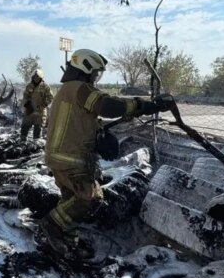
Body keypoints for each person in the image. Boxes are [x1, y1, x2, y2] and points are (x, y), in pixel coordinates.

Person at [40, 49, 171, 260]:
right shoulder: (80, 88)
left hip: (60, 156)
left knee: (71, 202)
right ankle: (51, 226)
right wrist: (144, 105)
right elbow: (108, 105)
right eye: (95, 73)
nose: (96, 78)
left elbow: (83, 121)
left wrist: (102, 129)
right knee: (90, 198)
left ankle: (65, 242)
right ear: (86, 69)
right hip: (72, 158)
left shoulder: (67, 90)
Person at [21, 69, 53, 141]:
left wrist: (43, 105)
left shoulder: (45, 86)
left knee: (37, 130)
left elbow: (50, 97)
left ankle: (36, 146)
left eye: (38, 77)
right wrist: (27, 104)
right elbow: (25, 96)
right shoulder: (29, 86)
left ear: (40, 78)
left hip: (40, 112)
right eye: (35, 77)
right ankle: (22, 143)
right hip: (30, 111)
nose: (36, 78)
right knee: (24, 128)